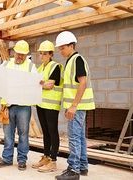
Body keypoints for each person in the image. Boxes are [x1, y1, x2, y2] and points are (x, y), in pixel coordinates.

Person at [54, 31, 95, 180]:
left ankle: (73, 170)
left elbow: (82, 83)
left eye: (62, 47)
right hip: (77, 106)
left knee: (74, 138)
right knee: (80, 137)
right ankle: (82, 166)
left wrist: (73, 106)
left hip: (77, 107)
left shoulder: (77, 60)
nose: (60, 50)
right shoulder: (71, 61)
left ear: (71, 45)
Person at [0, 40, 36, 171]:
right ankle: (7, 158)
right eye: (18, 54)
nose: (20, 57)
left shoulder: (31, 67)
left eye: (23, 55)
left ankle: (22, 160)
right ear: (14, 53)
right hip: (8, 106)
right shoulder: (6, 64)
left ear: (26, 55)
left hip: (23, 106)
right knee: (8, 134)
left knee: (23, 133)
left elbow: (36, 84)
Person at [32, 40, 63, 173]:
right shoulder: (40, 68)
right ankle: (46, 157)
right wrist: (40, 83)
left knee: (52, 131)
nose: (42, 56)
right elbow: (37, 84)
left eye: (45, 54)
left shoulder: (55, 67)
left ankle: (53, 161)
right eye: (41, 53)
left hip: (51, 105)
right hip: (41, 104)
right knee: (45, 131)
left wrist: (40, 83)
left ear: (51, 54)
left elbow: (50, 85)